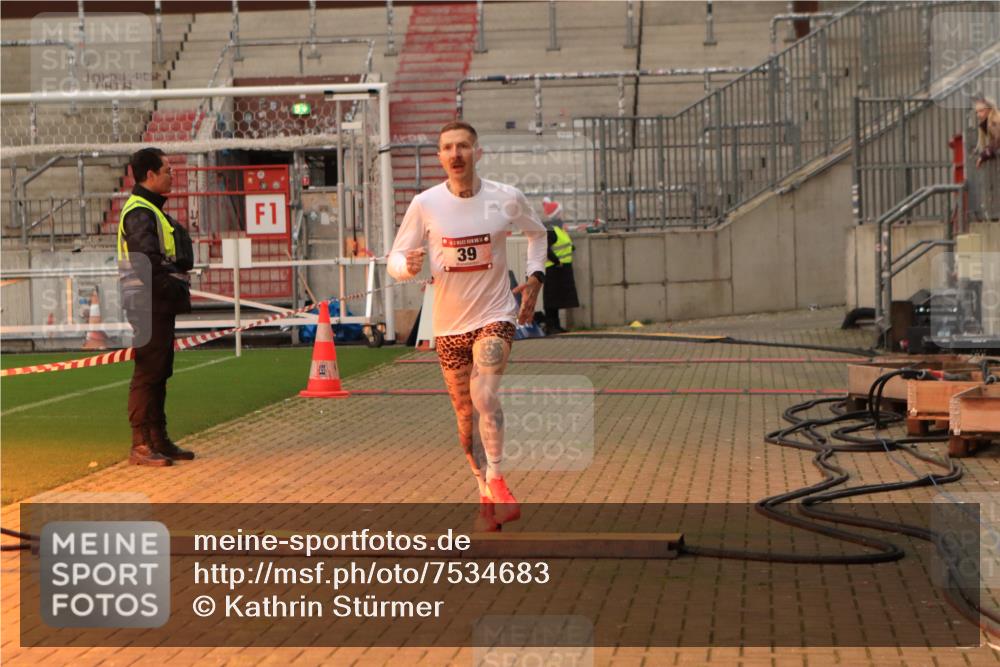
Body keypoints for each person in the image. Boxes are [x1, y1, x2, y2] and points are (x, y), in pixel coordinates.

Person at [387, 121, 547, 530]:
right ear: (439, 157)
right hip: (448, 326)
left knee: (485, 395)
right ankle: (484, 490)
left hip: (495, 315)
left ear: (478, 152)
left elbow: (537, 234)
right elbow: (395, 260)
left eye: (463, 146)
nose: (455, 154)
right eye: (447, 148)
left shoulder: (506, 198)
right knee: (464, 413)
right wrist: (408, 266)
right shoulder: (425, 203)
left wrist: (535, 276)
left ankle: (498, 479)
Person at [118, 148, 195, 466]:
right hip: (148, 302)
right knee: (149, 372)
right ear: (149, 175)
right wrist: (171, 288)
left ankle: (158, 439)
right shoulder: (140, 212)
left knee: (160, 370)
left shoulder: (149, 209)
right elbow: (146, 263)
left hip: (155, 301)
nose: (172, 173)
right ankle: (141, 444)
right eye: (167, 169)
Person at [540, 197, 579, 334]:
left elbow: (565, 244)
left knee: (557, 299)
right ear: (557, 214)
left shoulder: (558, 228)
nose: (562, 215)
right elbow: (545, 248)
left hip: (560, 269)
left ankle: (556, 325)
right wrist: (557, 261)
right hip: (554, 268)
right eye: (560, 212)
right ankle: (551, 326)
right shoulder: (551, 228)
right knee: (551, 299)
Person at [974, 96, 1000, 168]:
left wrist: (984, 155)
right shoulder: (988, 122)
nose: (978, 115)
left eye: (981, 111)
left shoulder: (994, 122)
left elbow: (997, 142)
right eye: (977, 112)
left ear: (989, 109)